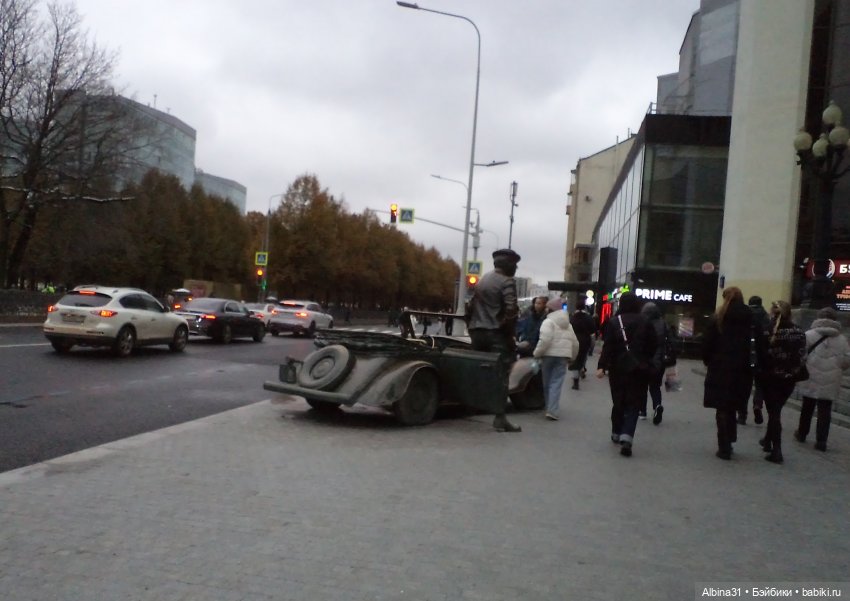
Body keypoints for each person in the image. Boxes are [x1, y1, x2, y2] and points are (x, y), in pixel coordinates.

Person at [702, 287, 764, 460]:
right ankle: (731, 434)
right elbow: (760, 343)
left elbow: (707, 343)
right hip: (743, 369)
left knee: (722, 406)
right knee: (734, 403)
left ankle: (724, 446)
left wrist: (708, 360)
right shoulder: (751, 318)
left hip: (720, 367)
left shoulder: (718, 318)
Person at [468, 248, 523, 433]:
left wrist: (473, 327)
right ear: (506, 264)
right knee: (502, 376)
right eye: (514, 264)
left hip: (478, 332)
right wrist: (509, 336)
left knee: (480, 371)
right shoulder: (507, 282)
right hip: (496, 334)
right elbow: (510, 311)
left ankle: (474, 406)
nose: (515, 267)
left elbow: (470, 307)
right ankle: (500, 418)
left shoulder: (483, 280)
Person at [596, 292, 657, 457]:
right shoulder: (645, 321)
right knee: (634, 403)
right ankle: (627, 437)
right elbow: (653, 344)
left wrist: (602, 365)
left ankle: (616, 431)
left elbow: (608, 346)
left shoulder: (614, 322)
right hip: (639, 369)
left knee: (618, 401)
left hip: (618, 368)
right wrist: (645, 358)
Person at [758, 300, 806, 464]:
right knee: (777, 409)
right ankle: (767, 441)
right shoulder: (799, 331)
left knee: (774, 412)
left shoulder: (768, 331)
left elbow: (762, 354)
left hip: (770, 377)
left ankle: (776, 450)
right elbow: (801, 354)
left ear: (773, 312)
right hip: (790, 378)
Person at [533, 297, 579, 420]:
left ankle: (549, 408)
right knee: (556, 382)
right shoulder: (568, 324)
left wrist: (537, 353)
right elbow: (575, 343)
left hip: (548, 356)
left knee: (547, 383)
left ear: (551, 310)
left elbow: (544, 340)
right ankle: (552, 409)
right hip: (563, 357)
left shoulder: (548, 322)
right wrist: (572, 357)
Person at [741, 295, 771, 425]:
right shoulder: (765, 316)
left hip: (746, 355)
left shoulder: (745, 315)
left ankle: (742, 415)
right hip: (761, 356)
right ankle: (757, 405)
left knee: (744, 387)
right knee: (760, 386)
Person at [639, 301, 666, 425]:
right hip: (660, 360)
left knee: (642, 386)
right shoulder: (663, 324)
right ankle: (657, 405)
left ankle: (642, 411)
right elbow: (670, 341)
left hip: (645, 359)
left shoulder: (643, 323)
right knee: (655, 386)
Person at [568, 299, 596, 390]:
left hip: (573, 341)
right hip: (585, 341)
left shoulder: (572, 318)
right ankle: (582, 368)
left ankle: (576, 381)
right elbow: (593, 330)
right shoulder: (588, 318)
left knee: (574, 361)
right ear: (584, 307)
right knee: (582, 358)